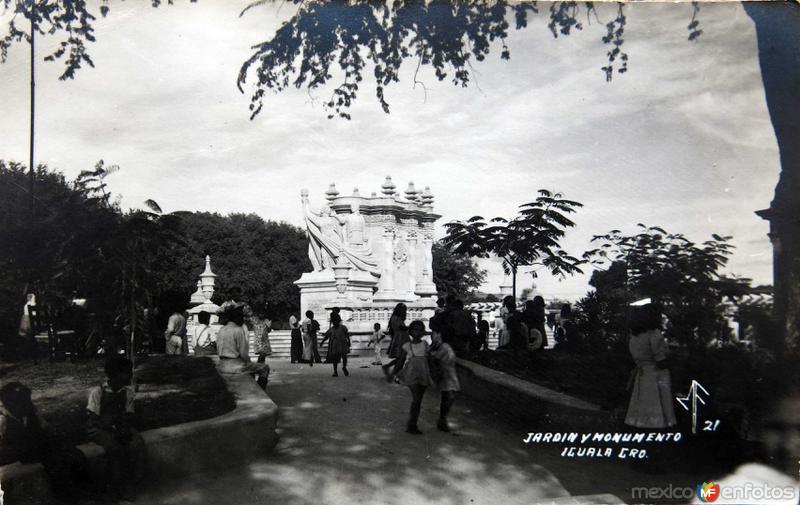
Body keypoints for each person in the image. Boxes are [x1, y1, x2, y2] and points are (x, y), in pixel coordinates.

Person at [86, 356, 147, 502]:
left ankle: (131, 485)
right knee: (114, 448)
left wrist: (124, 428)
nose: (131, 375)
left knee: (137, 445)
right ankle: (113, 488)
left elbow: (129, 414)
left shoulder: (128, 392)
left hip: (120, 425)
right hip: (99, 428)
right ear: (113, 375)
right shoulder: (98, 392)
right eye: (127, 372)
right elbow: (92, 418)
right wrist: (110, 428)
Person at [624, 304, 677, 429]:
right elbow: (660, 361)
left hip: (642, 373)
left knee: (643, 400)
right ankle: (657, 426)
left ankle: (641, 425)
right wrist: (672, 358)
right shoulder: (654, 334)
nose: (662, 318)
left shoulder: (635, 335)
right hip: (656, 374)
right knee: (657, 400)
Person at [394, 320, 434, 434]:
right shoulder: (407, 346)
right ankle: (411, 425)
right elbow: (400, 361)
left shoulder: (425, 345)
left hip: (423, 373)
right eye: (415, 330)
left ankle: (413, 424)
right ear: (410, 332)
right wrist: (394, 373)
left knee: (419, 400)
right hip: (411, 374)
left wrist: (433, 374)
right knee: (416, 399)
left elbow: (430, 360)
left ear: (423, 332)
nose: (417, 332)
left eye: (420, 330)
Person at [217, 306, 269, 390]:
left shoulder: (222, 330)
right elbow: (243, 354)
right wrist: (249, 363)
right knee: (264, 368)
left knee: (251, 368)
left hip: (222, 363)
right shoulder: (238, 330)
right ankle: (259, 390)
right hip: (234, 365)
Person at [430, 332, 460, 432]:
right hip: (446, 374)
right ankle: (442, 420)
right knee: (449, 396)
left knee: (448, 397)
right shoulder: (444, 347)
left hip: (449, 373)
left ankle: (442, 419)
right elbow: (435, 359)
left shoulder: (444, 347)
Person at [381, 303, 409, 381]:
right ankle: (393, 374)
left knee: (400, 359)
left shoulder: (395, 318)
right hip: (400, 340)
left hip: (401, 339)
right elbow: (401, 327)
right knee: (401, 359)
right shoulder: (396, 318)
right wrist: (411, 327)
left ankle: (390, 370)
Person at [319, 312, 350, 377]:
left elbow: (347, 335)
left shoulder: (343, 328)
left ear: (338, 321)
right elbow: (326, 336)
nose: (335, 322)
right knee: (335, 358)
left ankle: (344, 367)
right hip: (335, 345)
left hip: (342, 343)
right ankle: (335, 371)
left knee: (344, 356)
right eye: (334, 321)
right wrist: (322, 342)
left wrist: (349, 341)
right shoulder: (331, 329)